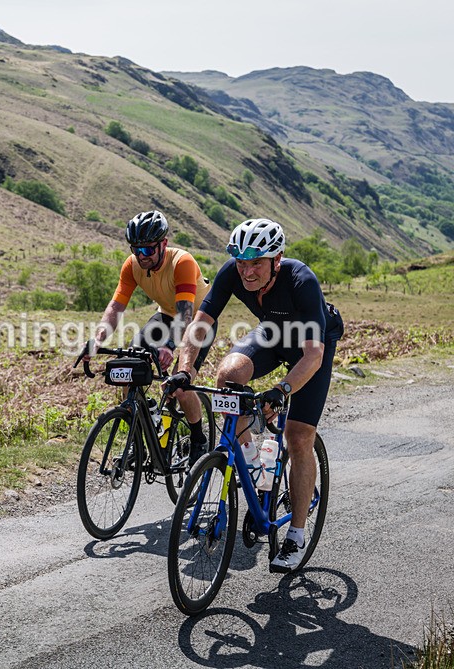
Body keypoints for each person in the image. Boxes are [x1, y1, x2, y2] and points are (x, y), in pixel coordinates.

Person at [167, 217, 344, 573]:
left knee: (297, 437)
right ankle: (250, 456)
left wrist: (281, 391)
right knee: (229, 374)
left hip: (311, 347)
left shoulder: (301, 280)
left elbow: (313, 355)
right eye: (242, 262)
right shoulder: (232, 272)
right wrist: (185, 368)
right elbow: (200, 324)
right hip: (272, 335)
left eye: (256, 264)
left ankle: (295, 534)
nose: (247, 272)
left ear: (277, 260)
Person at [86, 210, 215, 460]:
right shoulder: (132, 264)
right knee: (129, 368)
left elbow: (186, 313)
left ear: (163, 244)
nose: (141, 256)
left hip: (199, 319)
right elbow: (116, 307)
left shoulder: (182, 262)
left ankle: (199, 438)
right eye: (136, 249)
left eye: (147, 250)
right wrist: (97, 339)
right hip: (166, 314)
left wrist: (169, 345)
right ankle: (141, 433)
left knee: (180, 383)